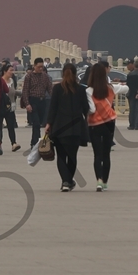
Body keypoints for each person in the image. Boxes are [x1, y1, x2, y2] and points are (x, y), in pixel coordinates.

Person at [47, 63, 90, 191]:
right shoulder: (81, 89)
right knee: (72, 156)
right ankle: (69, 181)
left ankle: (66, 181)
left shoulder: (57, 89)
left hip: (59, 127)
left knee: (61, 156)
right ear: (76, 73)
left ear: (62, 73)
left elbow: (52, 108)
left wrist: (49, 123)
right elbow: (86, 109)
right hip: (76, 128)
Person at [87, 60, 116, 190]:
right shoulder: (110, 89)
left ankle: (98, 180)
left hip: (95, 124)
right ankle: (105, 181)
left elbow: (91, 110)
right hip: (109, 122)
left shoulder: (89, 91)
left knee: (97, 154)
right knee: (106, 153)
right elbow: (126, 89)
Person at [22, 57, 52, 142]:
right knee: (36, 123)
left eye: (42, 67)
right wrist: (27, 104)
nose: (41, 68)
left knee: (43, 123)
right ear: (34, 66)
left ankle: (40, 140)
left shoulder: (45, 76)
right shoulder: (29, 76)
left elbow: (50, 89)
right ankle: (35, 142)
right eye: (39, 67)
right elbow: (25, 91)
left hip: (42, 102)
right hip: (33, 101)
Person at [0, 62, 21, 149]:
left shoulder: (12, 81)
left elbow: (13, 92)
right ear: (4, 71)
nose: (12, 72)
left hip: (10, 105)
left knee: (11, 125)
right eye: (10, 70)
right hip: (0, 106)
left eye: (13, 70)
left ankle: (13, 143)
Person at [124, 60, 138, 132]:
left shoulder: (130, 75)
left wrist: (136, 91)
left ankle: (131, 125)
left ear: (134, 66)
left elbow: (129, 85)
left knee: (132, 110)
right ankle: (137, 125)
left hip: (132, 94)